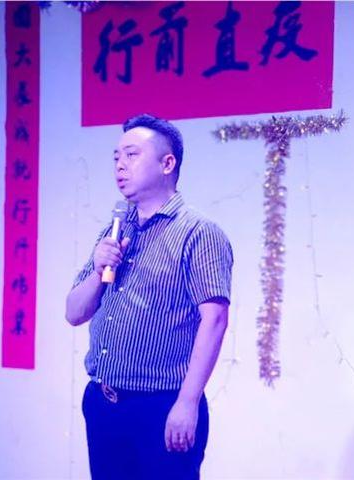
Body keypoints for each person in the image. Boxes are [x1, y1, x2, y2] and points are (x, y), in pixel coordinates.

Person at [65, 113, 233, 480]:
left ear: (167, 163)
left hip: (161, 406)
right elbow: (74, 312)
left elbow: (215, 319)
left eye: (132, 155)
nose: (120, 165)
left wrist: (187, 402)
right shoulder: (114, 230)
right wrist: (97, 270)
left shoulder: (198, 232)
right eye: (116, 157)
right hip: (104, 403)